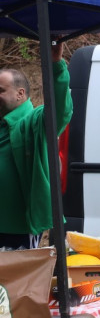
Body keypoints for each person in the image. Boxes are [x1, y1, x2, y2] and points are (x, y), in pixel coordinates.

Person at [0, 42, 72, 250]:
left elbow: (60, 110)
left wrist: (56, 64)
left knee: (16, 282)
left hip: (18, 229)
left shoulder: (34, 121)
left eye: (0, 91)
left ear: (20, 94)